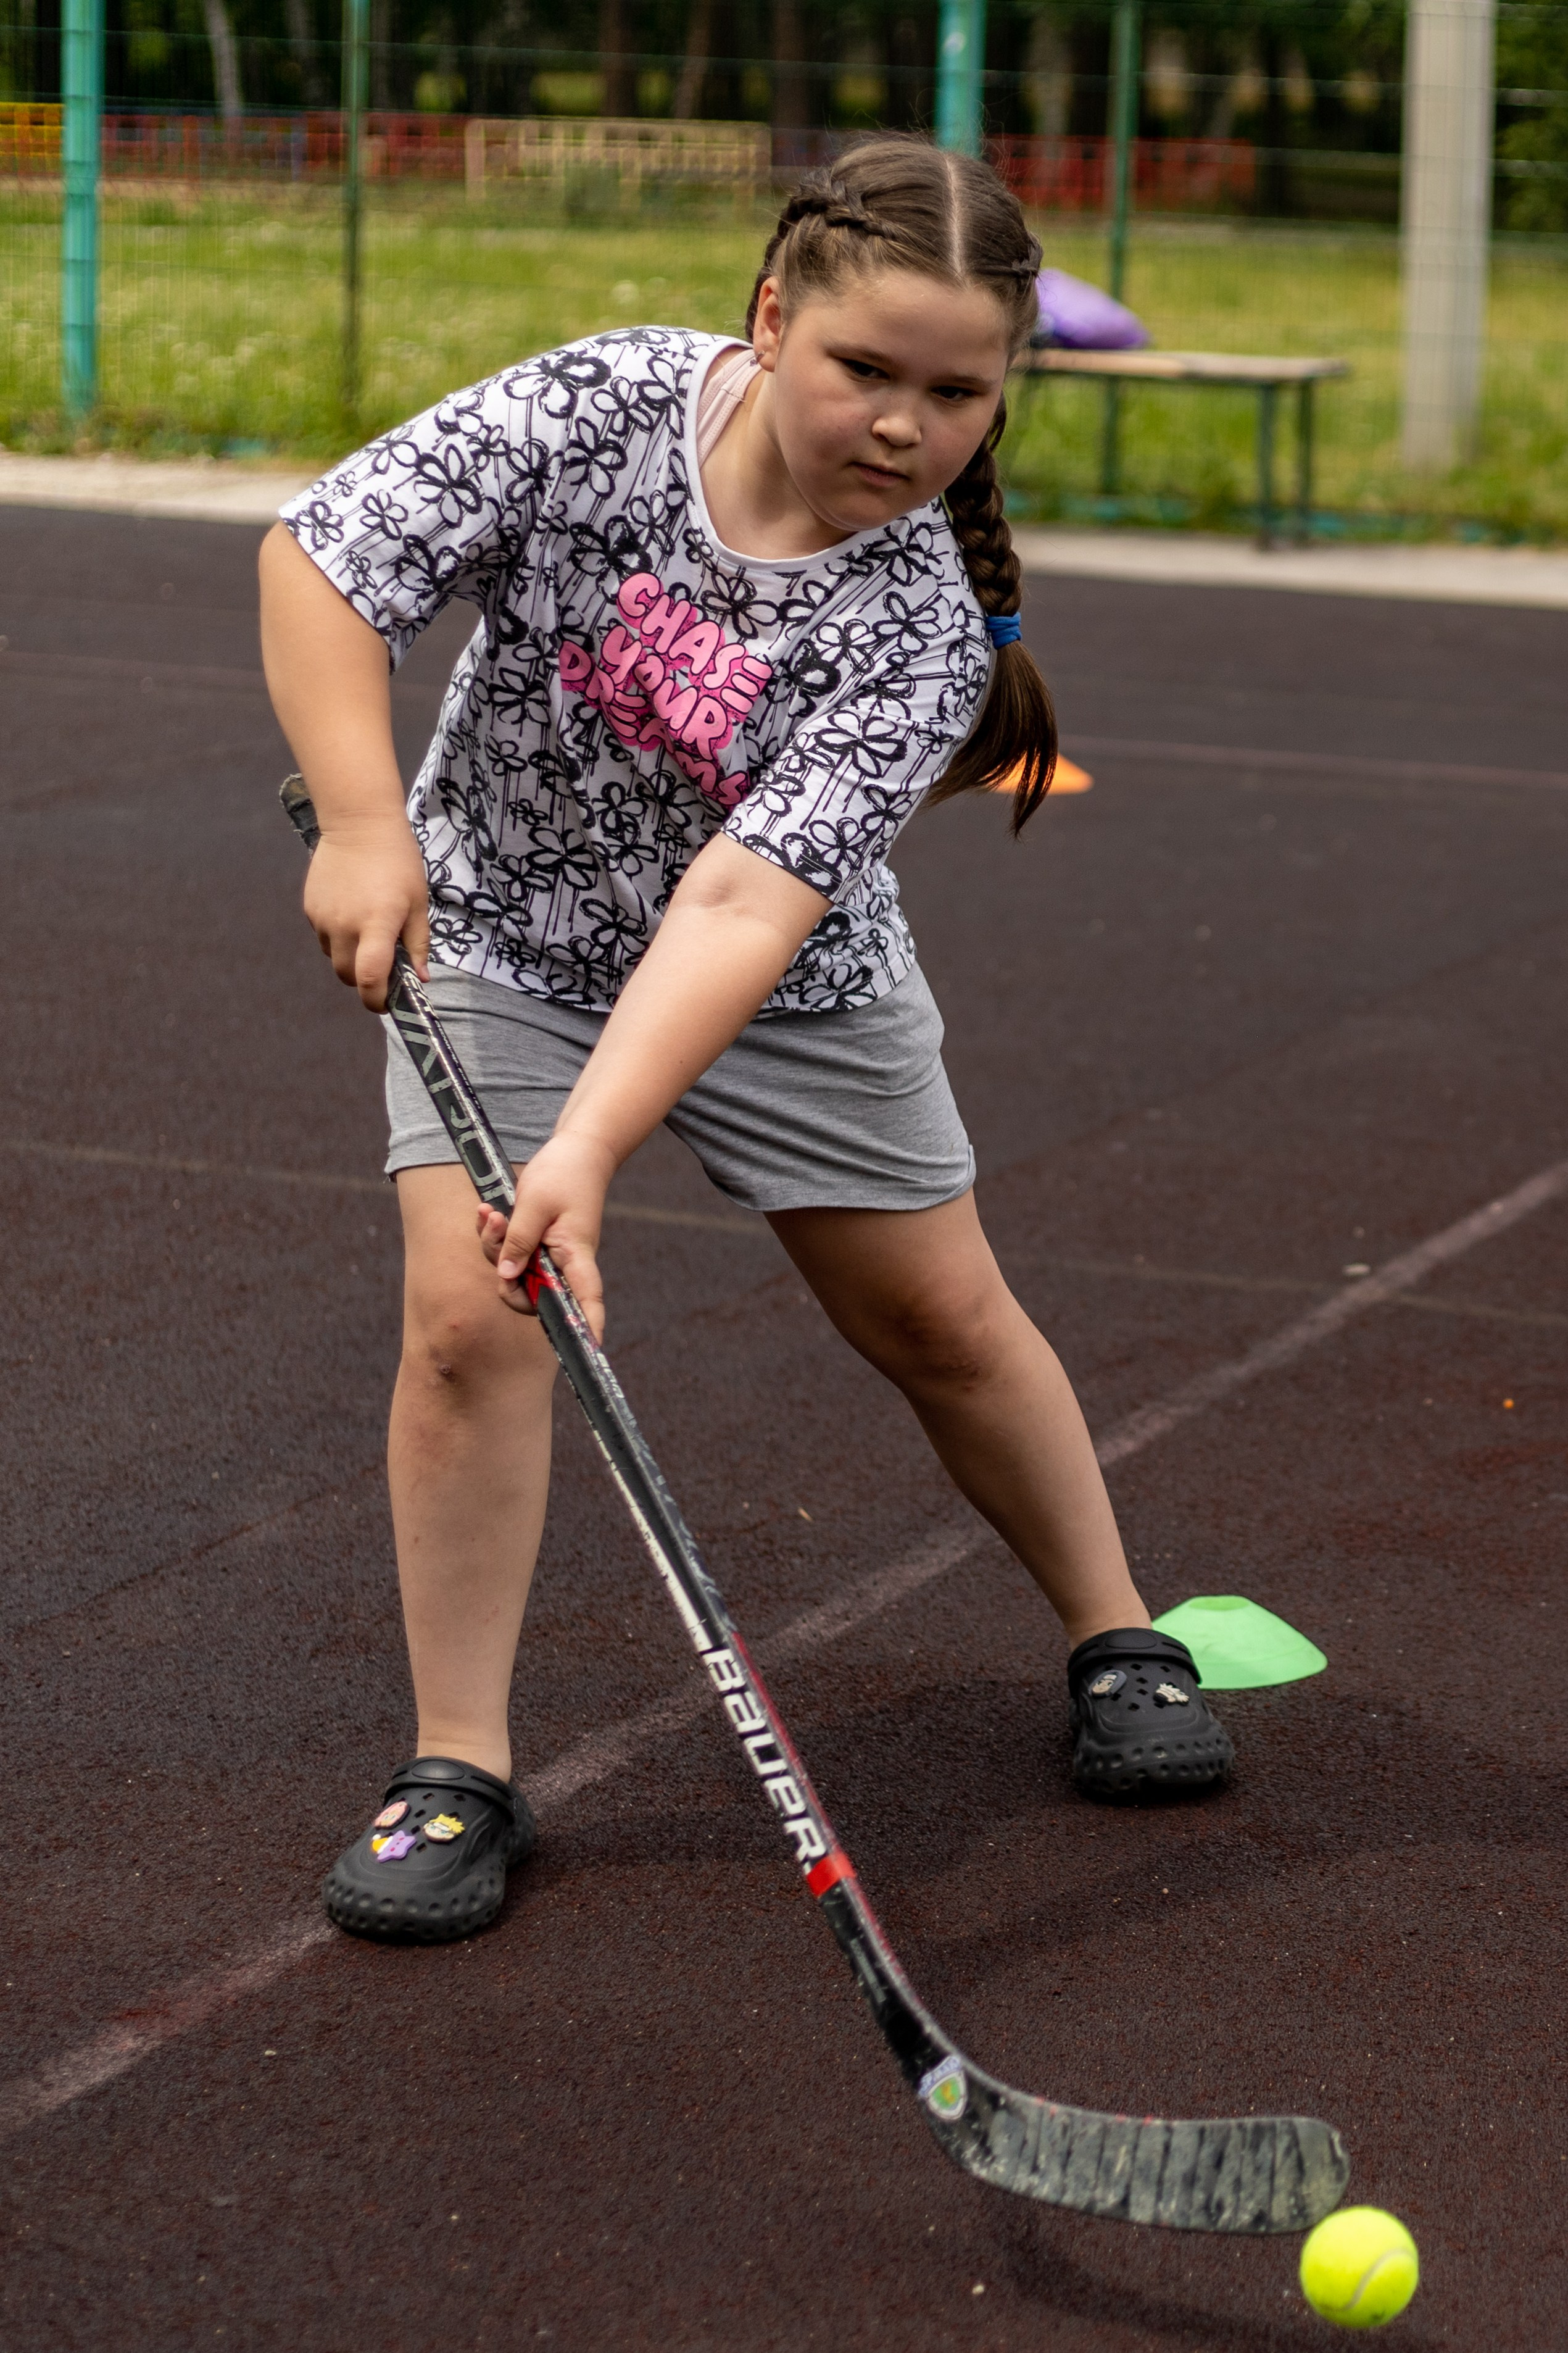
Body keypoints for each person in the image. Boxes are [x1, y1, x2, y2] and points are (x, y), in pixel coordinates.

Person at [260, 136, 1232, 1947]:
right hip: (506, 936)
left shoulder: (925, 628)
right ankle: (457, 1761)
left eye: (957, 392)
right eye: (866, 368)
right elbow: (328, 560)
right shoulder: (601, 402)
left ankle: (1118, 1628)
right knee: (475, 1320)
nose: (902, 425)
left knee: (940, 1319)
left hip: (789, 986)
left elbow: (735, 909)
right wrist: (362, 820)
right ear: (772, 315)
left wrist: (590, 1153)